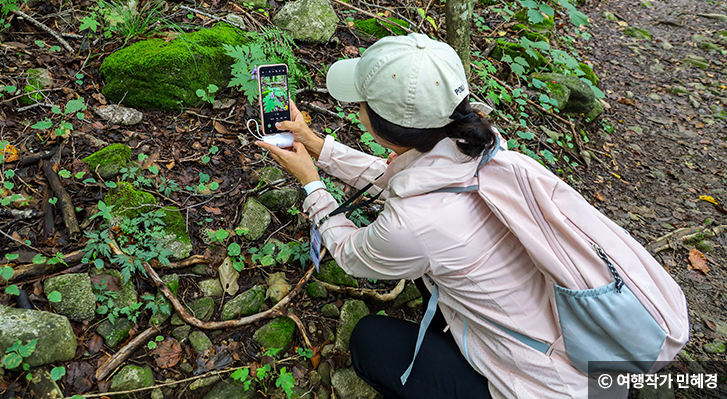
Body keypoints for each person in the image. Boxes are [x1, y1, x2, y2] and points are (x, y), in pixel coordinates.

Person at [256, 33, 615, 399]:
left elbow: (351, 254)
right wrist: (317, 146)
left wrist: (311, 184)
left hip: (547, 386)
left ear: (384, 129)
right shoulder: (480, 148)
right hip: (583, 339)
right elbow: (396, 179)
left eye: (361, 103)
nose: (357, 108)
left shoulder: (415, 224)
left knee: (369, 341)